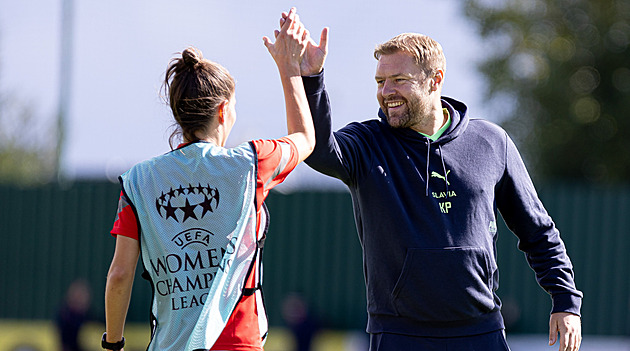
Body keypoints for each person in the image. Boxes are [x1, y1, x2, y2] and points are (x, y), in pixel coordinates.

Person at [286, 14, 583, 351]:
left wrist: (565, 300)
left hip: (482, 332)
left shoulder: (491, 142)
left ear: (435, 79)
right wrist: (311, 78)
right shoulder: (367, 142)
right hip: (399, 335)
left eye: (398, 79)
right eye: (380, 81)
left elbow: (537, 230)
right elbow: (319, 151)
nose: (386, 92)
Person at [103, 8, 314, 351]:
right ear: (223, 110)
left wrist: (113, 343)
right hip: (238, 343)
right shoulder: (252, 163)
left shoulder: (138, 181)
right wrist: (289, 68)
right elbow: (305, 137)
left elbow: (119, 276)